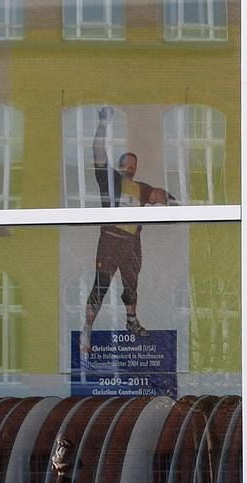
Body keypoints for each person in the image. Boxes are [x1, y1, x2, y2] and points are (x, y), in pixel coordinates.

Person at [80, 106, 172, 360]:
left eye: (133, 166)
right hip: (111, 239)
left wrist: (173, 201)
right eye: (126, 165)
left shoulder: (141, 187)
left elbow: (157, 195)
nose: (129, 169)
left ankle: (131, 320)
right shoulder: (110, 179)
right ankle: (87, 329)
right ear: (120, 165)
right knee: (101, 285)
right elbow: (98, 152)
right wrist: (102, 125)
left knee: (131, 285)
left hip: (132, 241)